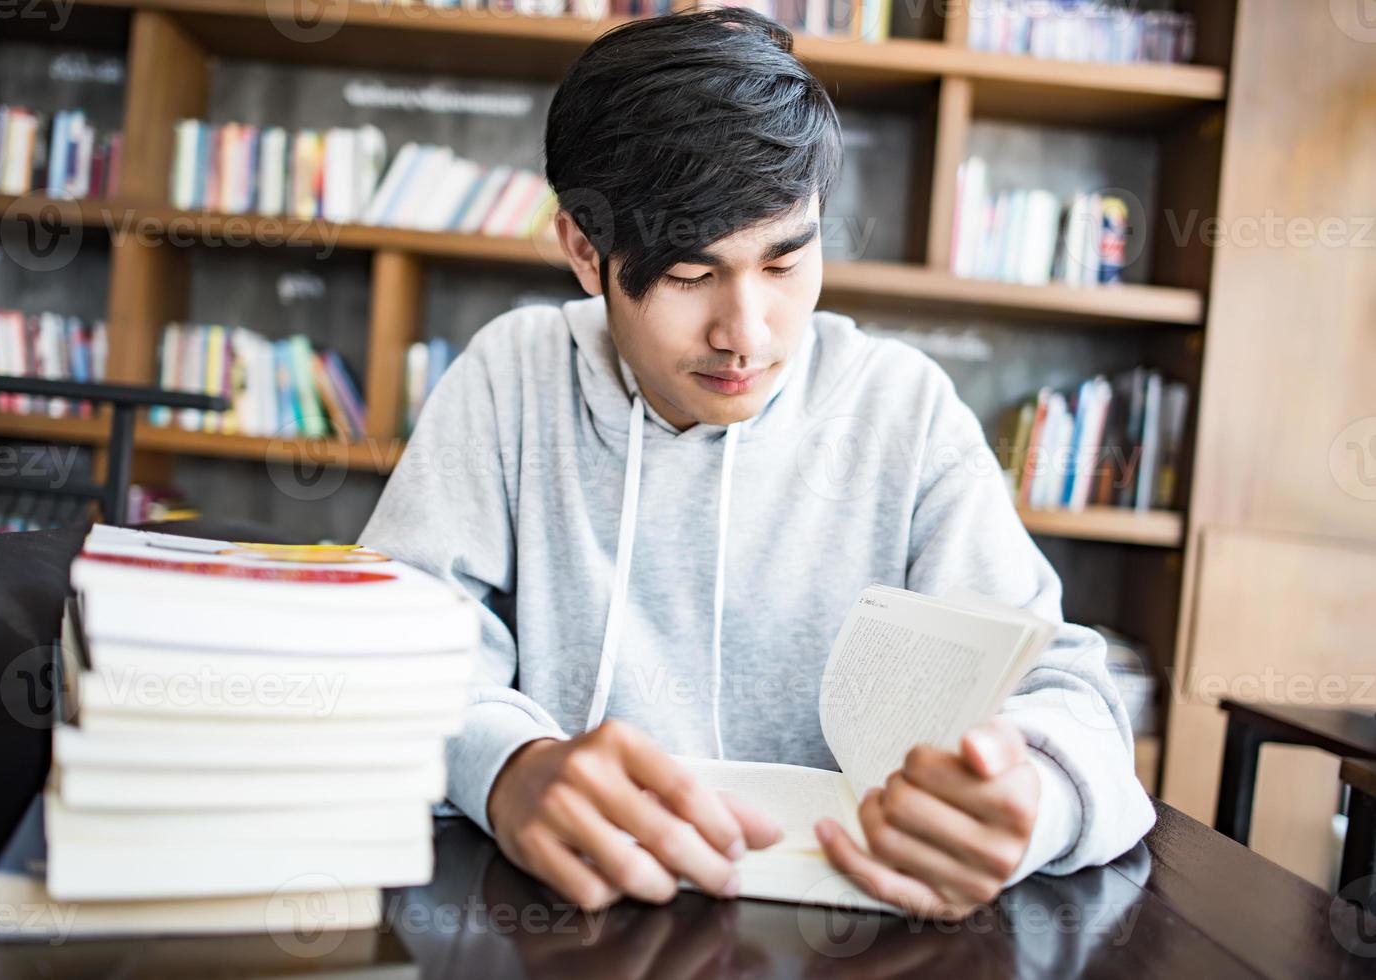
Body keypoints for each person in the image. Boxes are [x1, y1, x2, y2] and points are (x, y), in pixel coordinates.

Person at [360, 6, 1153, 919]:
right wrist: (508, 767)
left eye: (785, 263)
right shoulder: (514, 377)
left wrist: (1034, 802)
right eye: (692, 277)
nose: (746, 334)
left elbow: (1069, 692)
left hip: (848, 925)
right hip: (572, 917)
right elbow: (393, 650)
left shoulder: (900, 405)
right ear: (585, 248)